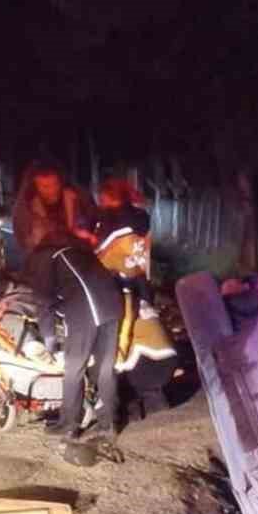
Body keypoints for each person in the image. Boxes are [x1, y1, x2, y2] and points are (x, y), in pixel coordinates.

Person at [25, 238, 121, 460]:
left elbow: (43, 301)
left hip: (85, 309)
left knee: (73, 368)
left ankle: (68, 424)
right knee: (106, 368)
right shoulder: (79, 252)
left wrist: (48, 337)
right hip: (113, 305)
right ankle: (108, 425)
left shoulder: (44, 257)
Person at [94, 178, 179, 418]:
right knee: (147, 323)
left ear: (109, 196)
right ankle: (156, 399)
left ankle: (129, 403)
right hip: (141, 279)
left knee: (122, 336)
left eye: (102, 197)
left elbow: (101, 254)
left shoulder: (109, 221)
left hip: (117, 285)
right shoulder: (141, 217)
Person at [13, 159, 93, 257]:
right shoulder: (27, 208)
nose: (52, 190)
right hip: (43, 263)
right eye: (45, 186)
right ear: (35, 186)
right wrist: (73, 235)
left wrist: (85, 234)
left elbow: (90, 220)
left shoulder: (76, 198)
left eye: (55, 184)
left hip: (76, 260)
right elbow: (30, 241)